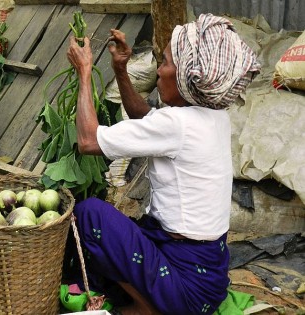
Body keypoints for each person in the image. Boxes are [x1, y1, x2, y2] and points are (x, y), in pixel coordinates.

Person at [66, 13, 260, 315]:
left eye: (167, 62)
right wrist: (120, 69)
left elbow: (88, 141)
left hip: (185, 285)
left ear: (186, 77)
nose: (160, 69)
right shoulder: (211, 115)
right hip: (207, 277)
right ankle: (152, 299)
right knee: (116, 239)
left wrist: (84, 72)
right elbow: (146, 120)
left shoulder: (178, 124)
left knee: (90, 214)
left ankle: (148, 308)